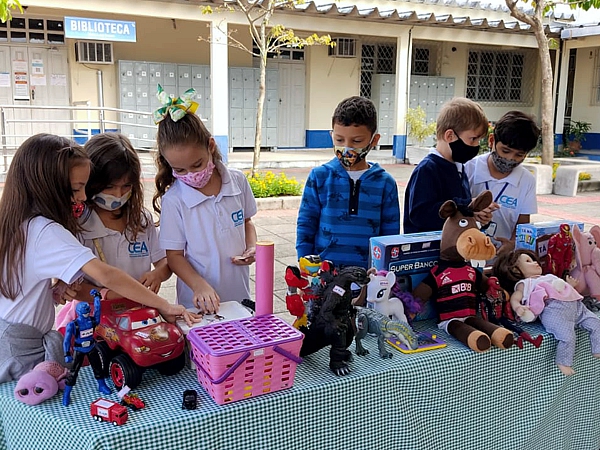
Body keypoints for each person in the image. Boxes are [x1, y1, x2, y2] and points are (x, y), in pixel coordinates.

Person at [0, 134, 197, 383]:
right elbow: (107, 275)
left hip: (18, 340)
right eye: (76, 189)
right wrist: (163, 305)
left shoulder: (20, 222)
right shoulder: (47, 231)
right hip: (26, 348)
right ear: (47, 186)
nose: (82, 197)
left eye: (126, 186)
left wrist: (59, 289)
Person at [54, 132, 172, 333]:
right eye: (109, 187)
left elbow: (165, 262)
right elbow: (72, 288)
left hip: (139, 316)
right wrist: (108, 294)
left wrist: (157, 274)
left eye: (126, 186)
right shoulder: (78, 225)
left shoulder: (141, 220)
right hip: (93, 320)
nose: (118, 194)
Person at [153, 91, 257, 315]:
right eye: (180, 170)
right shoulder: (174, 200)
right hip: (198, 304)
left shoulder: (237, 181)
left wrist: (252, 247)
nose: (191, 175)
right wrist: (198, 285)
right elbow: (174, 256)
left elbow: (247, 222)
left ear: (210, 146)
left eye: (197, 164)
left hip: (239, 295)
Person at [296, 96, 400, 269]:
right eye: (339, 140)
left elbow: (390, 234)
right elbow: (306, 225)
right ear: (331, 135)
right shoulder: (319, 177)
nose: (347, 147)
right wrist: (305, 265)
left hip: (368, 275)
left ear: (374, 140)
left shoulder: (385, 183)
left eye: (357, 141)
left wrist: (384, 270)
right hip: (324, 274)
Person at [494, 249, 600, 376]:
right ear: (516, 270)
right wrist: (517, 307)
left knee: (596, 323)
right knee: (567, 336)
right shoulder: (525, 283)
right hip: (555, 310)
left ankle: (598, 348)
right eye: (528, 261)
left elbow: (560, 290)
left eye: (534, 260)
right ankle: (563, 361)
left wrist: (569, 285)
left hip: (576, 306)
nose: (535, 263)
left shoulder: (547, 277)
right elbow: (515, 297)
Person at [403, 97, 493, 234]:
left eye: (479, 140)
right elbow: (420, 214)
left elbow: (460, 217)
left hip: (456, 244)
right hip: (429, 245)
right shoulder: (427, 169)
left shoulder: (459, 167)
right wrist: (465, 207)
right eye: (473, 139)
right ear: (450, 136)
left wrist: (477, 216)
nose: (476, 145)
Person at [464, 111, 541, 255]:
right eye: (505, 151)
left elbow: (523, 225)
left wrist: (512, 244)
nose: (510, 159)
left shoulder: (526, 180)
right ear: (491, 141)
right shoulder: (468, 168)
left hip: (500, 258)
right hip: (467, 253)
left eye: (519, 155)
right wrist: (471, 210)